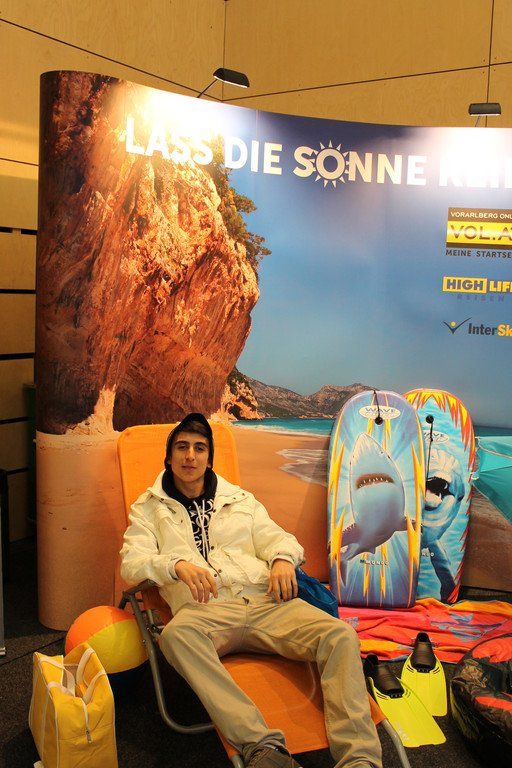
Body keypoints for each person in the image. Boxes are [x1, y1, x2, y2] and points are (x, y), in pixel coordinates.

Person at [120, 413, 382, 768]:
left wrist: (283, 559)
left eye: (199, 448)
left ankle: (360, 758)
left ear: (209, 458)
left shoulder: (240, 499)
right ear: (169, 457)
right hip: (206, 611)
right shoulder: (149, 509)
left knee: (340, 636)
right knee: (176, 636)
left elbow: (277, 538)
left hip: (265, 602)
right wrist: (174, 565)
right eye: (182, 447)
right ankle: (261, 746)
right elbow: (132, 563)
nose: (190, 456)